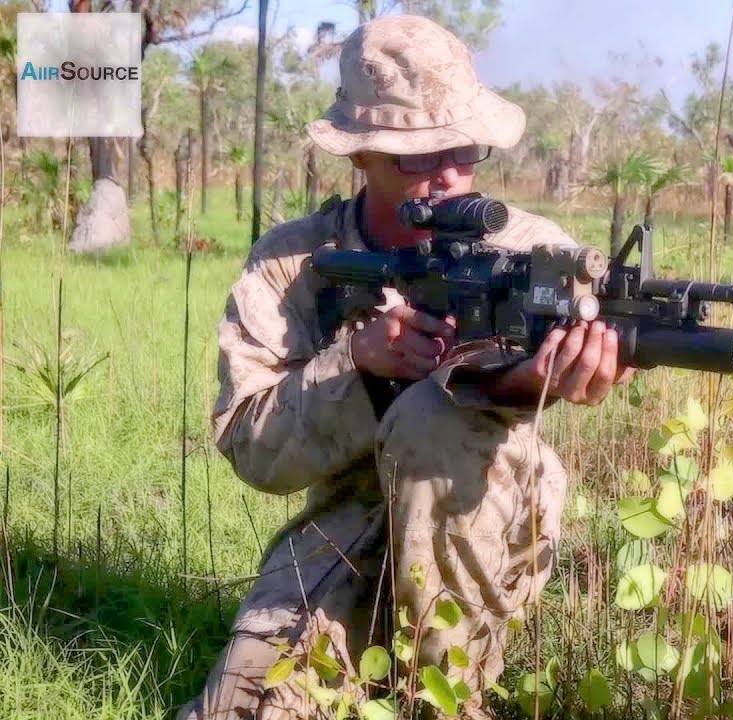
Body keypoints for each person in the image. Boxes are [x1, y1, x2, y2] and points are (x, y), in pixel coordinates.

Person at [181, 15, 632, 720]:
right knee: (242, 710)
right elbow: (251, 449)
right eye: (418, 157)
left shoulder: (536, 252)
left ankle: (451, 697)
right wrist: (357, 365)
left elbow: (568, 357)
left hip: (482, 516)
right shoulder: (293, 263)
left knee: (431, 416)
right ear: (360, 155)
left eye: (463, 148)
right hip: (346, 526)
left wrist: (537, 378)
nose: (449, 173)